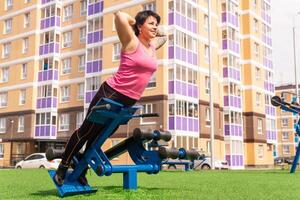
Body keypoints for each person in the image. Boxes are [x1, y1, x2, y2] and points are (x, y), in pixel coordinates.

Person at [54, 10, 167, 186]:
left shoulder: (151, 47)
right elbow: (119, 15)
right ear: (139, 25)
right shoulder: (131, 41)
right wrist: (137, 24)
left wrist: (157, 32)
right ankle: (63, 166)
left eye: (156, 24)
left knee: (99, 137)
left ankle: (81, 169)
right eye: (151, 23)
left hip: (129, 101)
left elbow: (164, 37)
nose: (155, 26)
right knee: (86, 131)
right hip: (111, 93)